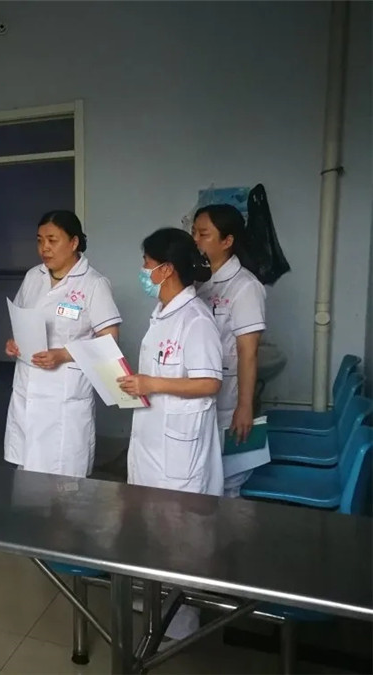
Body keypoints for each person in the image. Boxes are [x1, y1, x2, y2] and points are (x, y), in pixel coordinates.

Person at [118, 227, 223, 642]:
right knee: (152, 527)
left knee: (180, 534)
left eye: (146, 263)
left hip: (180, 450)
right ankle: (156, 600)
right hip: (152, 439)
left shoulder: (196, 320)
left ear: (166, 269)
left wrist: (151, 384)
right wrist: (135, 383)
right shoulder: (163, 313)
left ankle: (180, 626)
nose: (142, 270)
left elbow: (209, 382)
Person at [4, 210, 121, 476]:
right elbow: (20, 319)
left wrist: (63, 355)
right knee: (27, 476)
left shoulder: (94, 284)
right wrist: (14, 342)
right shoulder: (33, 276)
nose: (44, 248)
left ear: (74, 242)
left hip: (64, 397)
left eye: (52, 240)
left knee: (63, 483)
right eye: (39, 240)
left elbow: (110, 341)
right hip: (27, 390)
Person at [192, 204, 268, 498]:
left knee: (227, 480)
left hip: (228, 397)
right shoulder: (198, 280)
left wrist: (244, 406)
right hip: (200, 392)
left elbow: (248, 352)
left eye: (203, 234)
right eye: (193, 233)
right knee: (202, 476)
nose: (195, 240)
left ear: (227, 241)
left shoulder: (245, 286)